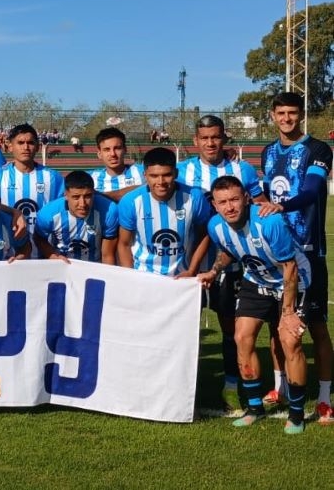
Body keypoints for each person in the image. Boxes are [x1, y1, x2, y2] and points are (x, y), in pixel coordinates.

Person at [197, 176, 310, 434]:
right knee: (242, 337)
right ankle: (255, 408)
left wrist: (288, 312)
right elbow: (229, 251)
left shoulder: (268, 221)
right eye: (223, 202)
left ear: (246, 198)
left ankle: (296, 414)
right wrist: (214, 271)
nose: (230, 207)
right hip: (256, 280)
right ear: (214, 205)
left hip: (293, 281)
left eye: (235, 199)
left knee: (289, 340)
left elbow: (290, 267)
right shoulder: (215, 226)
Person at [177, 115, 265, 412]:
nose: (210, 143)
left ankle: (230, 387)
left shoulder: (243, 169)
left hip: (232, 266)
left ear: (224, 138)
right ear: (195, 141)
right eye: (205, 138)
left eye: (215, 137)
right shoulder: (182, 171)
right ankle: (181, 390)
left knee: (230, 328)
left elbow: (259, 204)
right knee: (183, 330)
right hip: (190, 265)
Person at [260, 91, 334, 423]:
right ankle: (280, 387)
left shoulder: (318, 149)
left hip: (308, 251)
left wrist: (282, 206)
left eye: (292, 113)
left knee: (316, 327)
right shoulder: (267, 152)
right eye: (281, 113)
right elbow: (265, 194)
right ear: (272, 116)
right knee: (278, 325)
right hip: (277, 252)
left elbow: (312, 190)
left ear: (301, 115)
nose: (287, 118)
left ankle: (324, 398)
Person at [117, 147, 211, 277]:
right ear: (145, 176)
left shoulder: (195, 197)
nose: (160, 182)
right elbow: (124, 244)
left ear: (176, 173)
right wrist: (131, 276)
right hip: (143, 276)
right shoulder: (130, 201)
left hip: (181, 277)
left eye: (167, 175)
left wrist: (192, 270)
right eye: (154, 176)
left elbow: (204, 235)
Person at [0, 123, 64, 255]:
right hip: (7, 256)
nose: (26, 147)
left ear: (38, 147)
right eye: (20, 142)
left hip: (44, 255)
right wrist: (13, 212)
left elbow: (62, 212)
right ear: (10, 146)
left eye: (30, 143)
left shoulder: (53, 177)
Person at [34, 170, 118, 264]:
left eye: (87, 196)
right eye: (76, 197)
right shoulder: (48, 213)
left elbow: (107, 254)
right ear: (66, 195)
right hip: (62, 265)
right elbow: (39, 238)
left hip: (94, 265)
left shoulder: (108, 211)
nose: (82, 204)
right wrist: (52, 255)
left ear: (93, 193)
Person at [90, 127, 144, 201]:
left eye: (117, 148)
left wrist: (101, 195)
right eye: (107, 149)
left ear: (125, 149)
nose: (113, 154)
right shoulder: (91, 178)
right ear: (99, 154)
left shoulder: (142, 171)